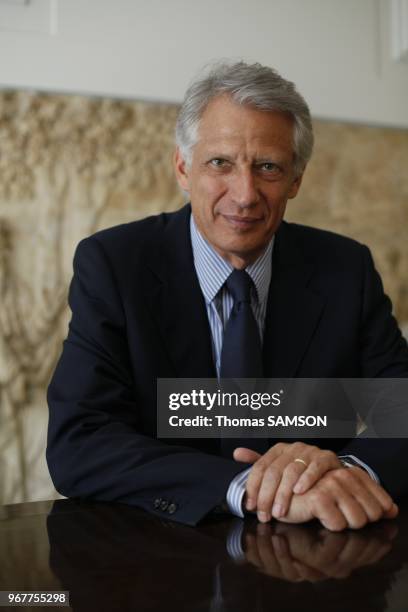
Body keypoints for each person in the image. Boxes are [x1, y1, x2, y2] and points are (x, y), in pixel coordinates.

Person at [47, 61, 408, 530]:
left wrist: (345, 473)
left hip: (319, 554)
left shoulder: (345, 269)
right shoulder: (115, 265)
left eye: (268, 167)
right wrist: (245, 486)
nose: (244, 194)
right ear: (183, 167)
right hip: (158, 560)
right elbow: (81, 440)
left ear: (296, 179)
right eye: (220, 163)